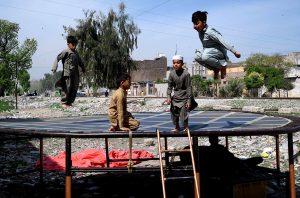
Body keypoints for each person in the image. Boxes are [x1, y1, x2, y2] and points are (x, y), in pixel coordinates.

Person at [192, 11, 241, 79]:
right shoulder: (200, 32)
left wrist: (234, 51)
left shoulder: (210, 32)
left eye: (197, 24)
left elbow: (222, 40)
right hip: (209, 52)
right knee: (197, 56)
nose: (194, 26)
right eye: (193, 24)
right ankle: (216, 69)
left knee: (205, 56)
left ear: (204, 22)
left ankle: (222, 66)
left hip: (220, 52)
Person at [51, 35, 85, 107]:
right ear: (68, 44)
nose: (74, 46)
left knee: (74, 88)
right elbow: (58, 58)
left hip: (75, 74)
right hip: (67, 74)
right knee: (67, 87)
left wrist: (83, 68)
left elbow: (80, 61)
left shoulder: (76, 53)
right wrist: (54, 68)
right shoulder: (66, 51)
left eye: (75, 44)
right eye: (73, 44)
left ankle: (69, 102)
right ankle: (64, 102)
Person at [166, 55, 192, 133]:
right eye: (174, 63)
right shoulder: (171, 74)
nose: (176, 64)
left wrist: (189, 100)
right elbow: (169, 87)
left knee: (184, 113)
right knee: (174, 113)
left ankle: (186, 127)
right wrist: (168, 96)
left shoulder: (186, 74)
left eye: (178, 63)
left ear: (182, 64)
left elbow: (188, 87)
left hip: (184, 97)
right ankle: (177, 127)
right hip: (176, 97)